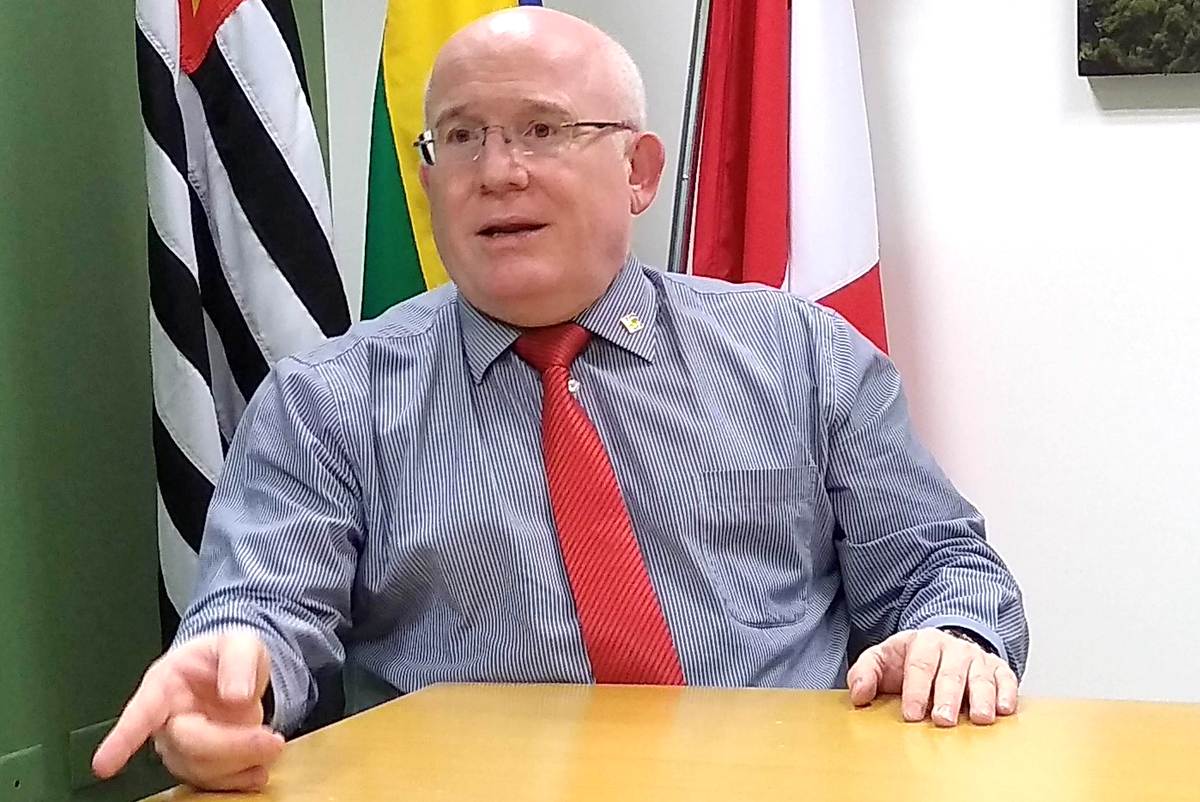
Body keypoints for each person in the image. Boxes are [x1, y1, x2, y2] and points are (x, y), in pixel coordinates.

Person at [93, 6, 1028, 793]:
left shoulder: (802, 357)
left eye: (543, 130)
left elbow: (940, 564)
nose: (498, 171)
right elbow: (261, 610)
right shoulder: (326, 403)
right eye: (461, 136)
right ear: (428, 178)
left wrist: (951, 636)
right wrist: (230, 680)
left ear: (640, 171)